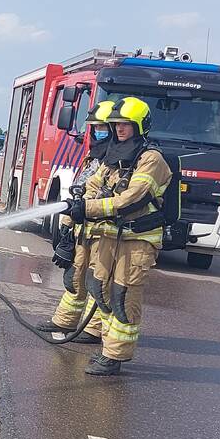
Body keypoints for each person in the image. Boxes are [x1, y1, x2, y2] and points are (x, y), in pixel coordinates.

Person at [64, 96, 172, 376]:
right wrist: (80, 200)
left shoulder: (152, 159)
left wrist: (88, 208)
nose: (119, 129)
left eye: (125, 124)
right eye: (116, 125)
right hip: (109, 236)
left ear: (139, 125)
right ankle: (101, 341)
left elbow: (132, 199)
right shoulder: (114, 156)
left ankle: (115, 355)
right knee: (98, 287)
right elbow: (92, 183)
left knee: (123, 295)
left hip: (137, 240)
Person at [36, 101, 114, 343]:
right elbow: (79, 193)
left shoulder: (117, 161)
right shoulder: (94, 157)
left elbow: (103, 198)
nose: (96, 133)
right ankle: (65, 321)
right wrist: (66, 227)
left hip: (103, 233)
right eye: (95, 128)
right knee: (74, 277)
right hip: (83, 229)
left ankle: (92, 330)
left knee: (96, 283)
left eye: (101, 128)